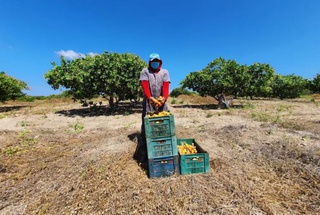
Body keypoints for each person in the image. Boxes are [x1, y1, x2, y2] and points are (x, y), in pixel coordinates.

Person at [134, 53, 171, 165]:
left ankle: (163, 149)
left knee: (164, 123)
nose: (155, 63)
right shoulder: (145, 71)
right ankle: (144, 155)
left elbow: (165, 87)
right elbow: (145, 85)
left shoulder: (165, 72)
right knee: (147, 126)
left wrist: (163, 99)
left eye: (157, 61)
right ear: (150, 62)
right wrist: (150, 98)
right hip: (149, 102)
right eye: (153, 61)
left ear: (160, 62)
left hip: (161, 102)